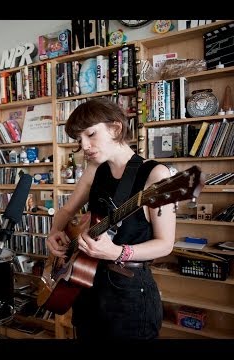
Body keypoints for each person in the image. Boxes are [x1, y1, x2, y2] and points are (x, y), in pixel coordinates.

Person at [46, 97, 176, 340]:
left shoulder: (156, 175)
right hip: (86, 287)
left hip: (129, 294)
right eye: (79, 139)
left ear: (115, 128)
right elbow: (65, 212)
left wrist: (117, 252)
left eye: (90, 134)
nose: (84, 145)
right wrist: (54, 232)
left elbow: (165, 244)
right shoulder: (95, 170)